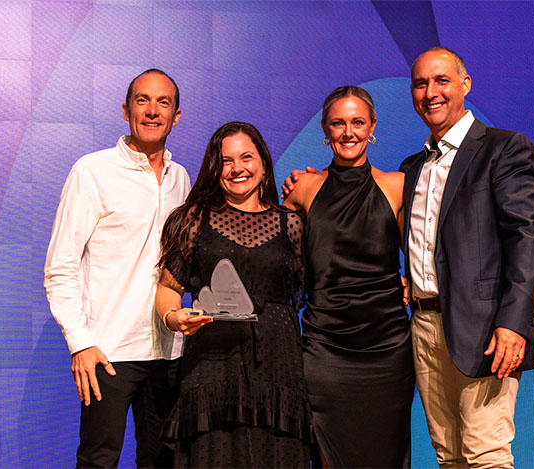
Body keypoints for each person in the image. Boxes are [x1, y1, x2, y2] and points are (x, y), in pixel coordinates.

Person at [402, 47, 534, 467]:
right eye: (421, 83)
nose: (431, 92)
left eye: (442, 80)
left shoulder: (503, 148)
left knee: (486, 455)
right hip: (425, 328)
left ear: (465, 85)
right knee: (449, 457)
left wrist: (512, 324)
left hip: (485, 331)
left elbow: (526, 238)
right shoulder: (413, 166)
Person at [44, 68, 189, 468]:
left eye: (164, 102)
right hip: (107, 352)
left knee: (163, 461)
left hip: (167, 351)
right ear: (126, 110)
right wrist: (80, 342)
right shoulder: (91, 171)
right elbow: (60, 268)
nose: (153, 111)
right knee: (98, 461)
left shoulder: (181, 178)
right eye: (142, 100)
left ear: (176, 116)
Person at [155, 122, 312, 468]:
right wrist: (173, 317)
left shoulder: (293, 224)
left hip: (278, 369)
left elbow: (317, 289)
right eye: (227, 161)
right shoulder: (193, 220)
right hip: (212, 368)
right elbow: (168, 287)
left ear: (264, 162)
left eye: (246, 157)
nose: (238, 168)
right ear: (215, 167)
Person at [283, 86, 413, 468]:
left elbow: (424, 258)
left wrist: (408, 283)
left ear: (372, 127)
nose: (348, 132)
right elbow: (275, 261)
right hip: (325, 347)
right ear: (325, 130)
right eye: (338, 123)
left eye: (358, 122)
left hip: (387, 349)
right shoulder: (302, 190)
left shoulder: (398, 186)